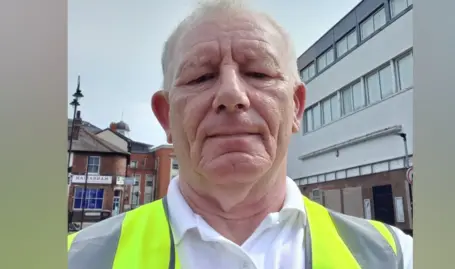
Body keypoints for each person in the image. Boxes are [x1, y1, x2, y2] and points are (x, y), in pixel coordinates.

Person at [67, 0, 413, 268]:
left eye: (259, 73)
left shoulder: (396, 257)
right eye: (201, 77)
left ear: (296, 106)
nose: (232, 95)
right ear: (165, 116)